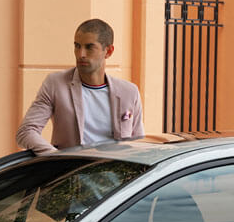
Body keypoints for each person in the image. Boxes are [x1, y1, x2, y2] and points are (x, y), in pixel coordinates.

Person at [16, 19, 144, 154]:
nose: (81, 54)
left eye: (89, 47)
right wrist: (57, 157)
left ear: (108, 51)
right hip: (71, 166)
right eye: (77, 46)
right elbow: (26, 131)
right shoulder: (55, 84)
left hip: (116, 166)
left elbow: (138, 144)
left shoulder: (129, 92)